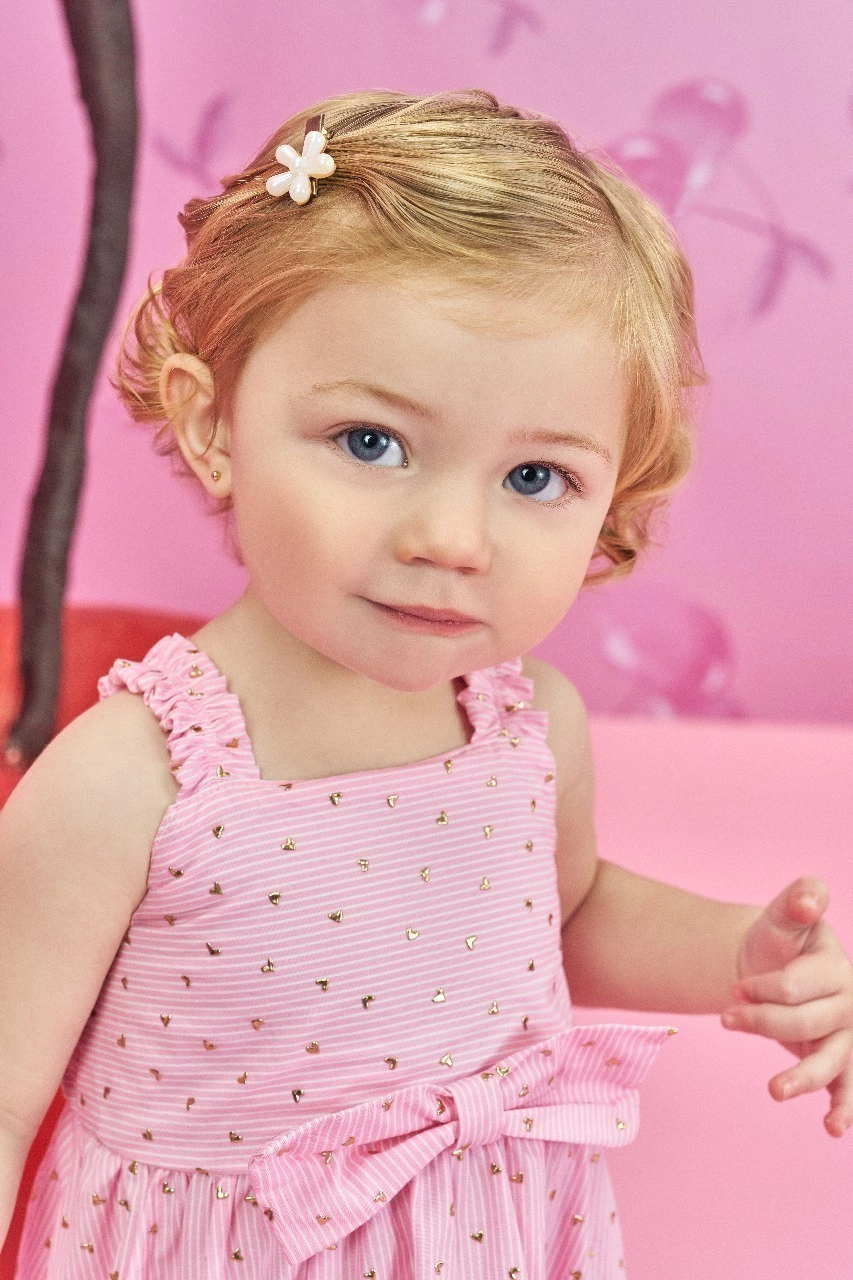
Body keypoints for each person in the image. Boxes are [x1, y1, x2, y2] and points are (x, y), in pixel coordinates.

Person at [2, 88, 851, 1279]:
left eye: (536, 476)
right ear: (213, 425)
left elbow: (559, 914)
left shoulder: (525, 726)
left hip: (483, 1235)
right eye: (372, 442)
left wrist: (739, 955)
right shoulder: (131, 780)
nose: (452, 538)